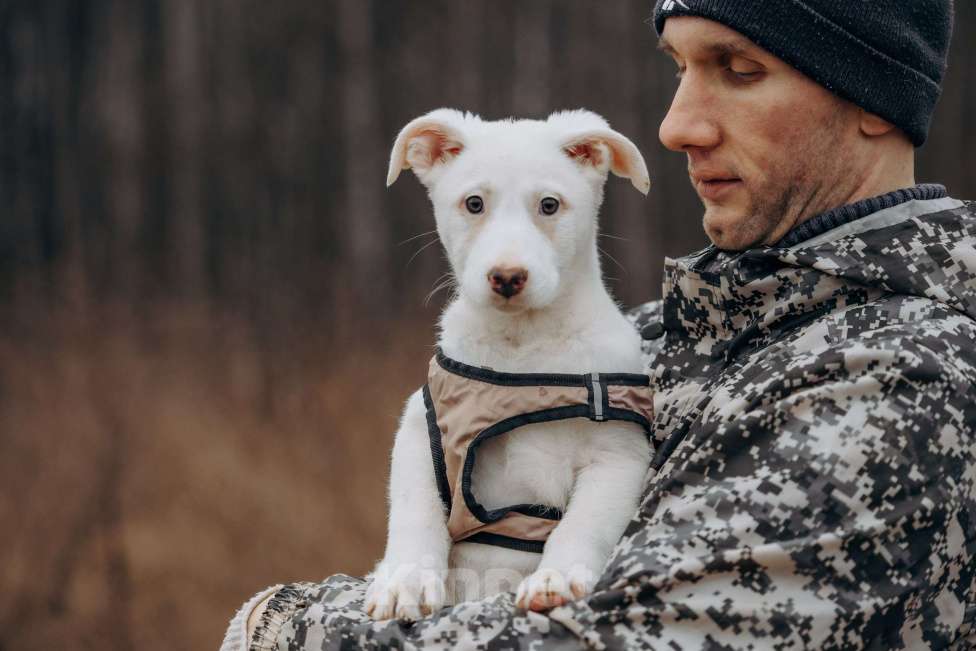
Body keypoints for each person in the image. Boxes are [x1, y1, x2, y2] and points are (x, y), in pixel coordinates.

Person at [221, 2, 976, 649]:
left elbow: (620, 636)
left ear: (874, 94)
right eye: (678, 67)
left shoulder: (905, 379)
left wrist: (282, 623)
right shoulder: (660, 338)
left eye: (737, 70)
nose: (677, 125)